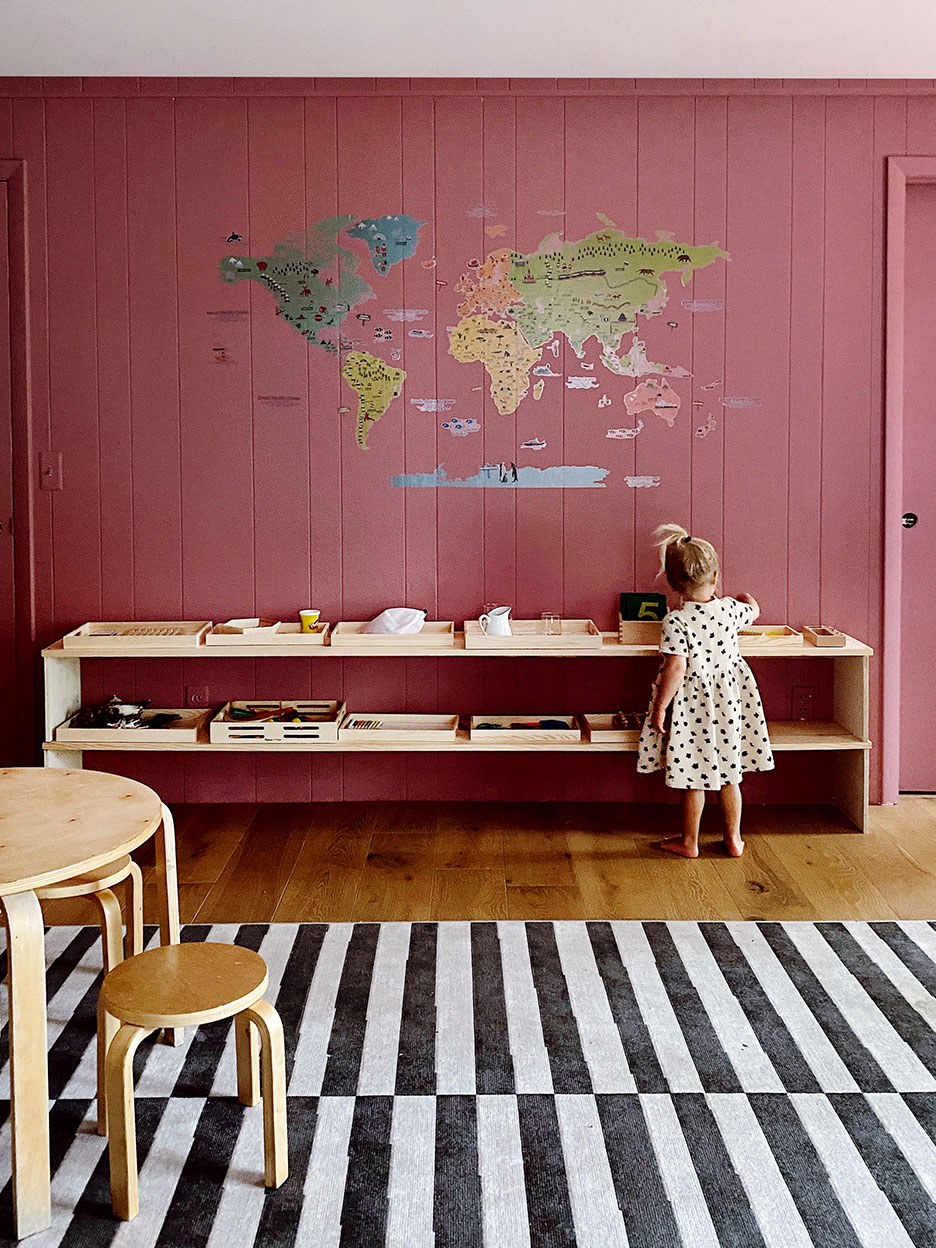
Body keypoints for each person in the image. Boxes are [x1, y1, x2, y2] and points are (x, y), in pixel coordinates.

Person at [636, 523, 774, 857]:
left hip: (693, 706)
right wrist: (745, 599)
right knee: (730, 775)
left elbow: (676, 668)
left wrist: (658, 710)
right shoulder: (729, 610)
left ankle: (689, 842)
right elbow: (753, 608)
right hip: (728, 703)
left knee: (692, 776)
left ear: (672, 584)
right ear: (715, 577)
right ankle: (734, 840)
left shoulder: (676, 621)